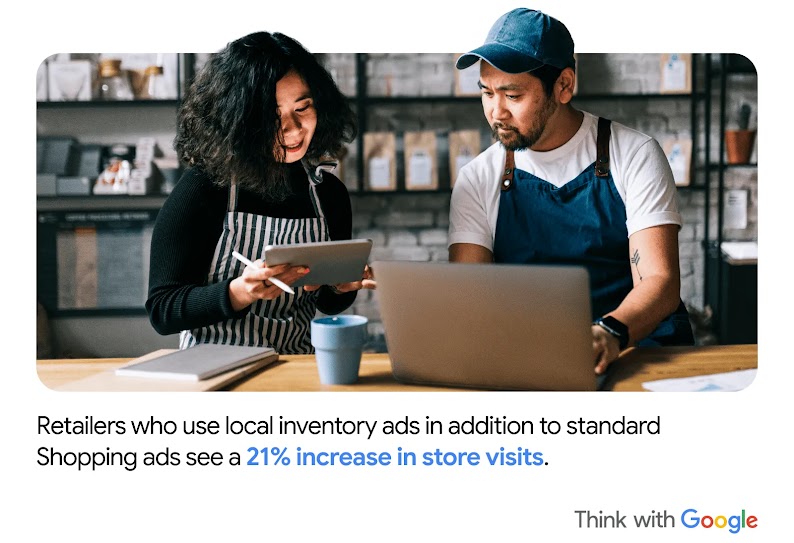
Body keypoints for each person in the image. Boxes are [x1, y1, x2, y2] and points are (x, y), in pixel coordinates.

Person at [449, 8, 694, 375]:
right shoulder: (476, 178)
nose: (496, 112)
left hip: (635, 347)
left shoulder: (635, 154)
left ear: (564, 85)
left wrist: (609, 333)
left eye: (512, 96)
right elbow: (471, 296)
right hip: (533, 354)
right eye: (487, 93)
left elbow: (659, 281)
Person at [146, 31, 373, 354]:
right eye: (272, 117)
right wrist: (239, 291)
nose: (293, 129)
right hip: (213, 371)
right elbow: (162, 310)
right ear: (238, 120)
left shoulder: (328, 193)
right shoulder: (204, 188)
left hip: (296, 369)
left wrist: (341, 285)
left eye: (303, 108)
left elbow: (328, 304)